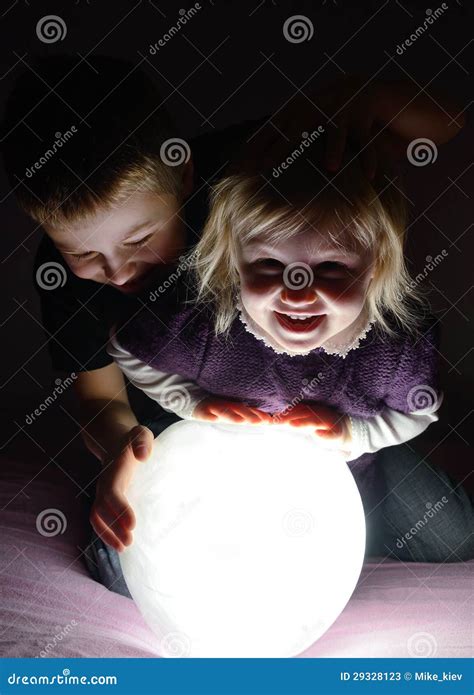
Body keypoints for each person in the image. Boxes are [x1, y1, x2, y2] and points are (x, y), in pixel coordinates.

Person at [2, 60, 468, 595]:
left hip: (341, 425)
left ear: (185, 174)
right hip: (185, 437)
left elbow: (447, 119)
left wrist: (337, 100)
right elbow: (100, 401)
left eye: (140, 239)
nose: (117, 271)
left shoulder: (256, 169)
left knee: (452, 537)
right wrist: (123, 455)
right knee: (125, 568)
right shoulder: (69, 283)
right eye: (83, 252)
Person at [110, 143, 473, 597]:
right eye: (268, 264)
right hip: (237, 467)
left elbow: (418, 411)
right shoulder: (209, 331)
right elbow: (127, 349)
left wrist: (356, 435)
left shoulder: (393, 349)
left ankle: (362, 520)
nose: (297, 291)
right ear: (234, 263)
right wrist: (195, 404)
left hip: (357, 465)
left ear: (375, 267)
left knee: (454, 537)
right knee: (122, 566)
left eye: (331, 267)